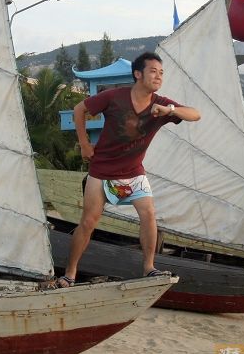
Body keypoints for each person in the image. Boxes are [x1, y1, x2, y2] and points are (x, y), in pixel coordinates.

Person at [56, 52, 201, 287]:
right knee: (88, 222)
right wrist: (84, 144)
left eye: (161, 73)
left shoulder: (161, 104)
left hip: (134, 173)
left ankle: (149, 268)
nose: (158, 76)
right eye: (153, 71)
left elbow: (196, 114)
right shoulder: (113, 97)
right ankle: (69, 274)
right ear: (138, 74)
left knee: (148, 213)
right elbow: (79, 109)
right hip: (102, 170)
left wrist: (170, 110)